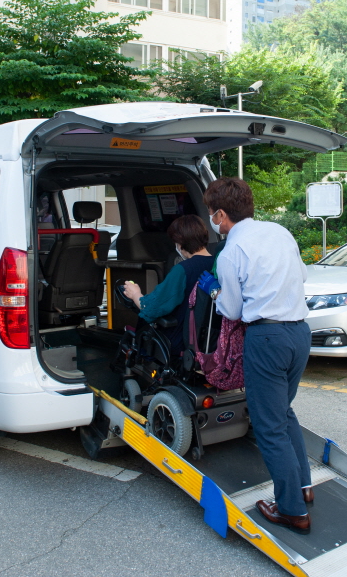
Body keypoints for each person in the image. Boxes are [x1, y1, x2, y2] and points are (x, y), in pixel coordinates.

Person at [197, 177, 313, 532]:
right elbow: (302, 275)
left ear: (221, 214)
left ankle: (292, 510)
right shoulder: (279, 233)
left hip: (266, 339)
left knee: (268, 427)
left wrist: (214, 290)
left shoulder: (232, 251)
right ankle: (304, 487)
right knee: (284, 412)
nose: (212, 222)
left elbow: (231, 310)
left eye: (211, 216)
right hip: (300, 333)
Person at [122, 215, 214, 355]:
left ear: (180, 242)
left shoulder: (183, 269)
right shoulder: (218, 264)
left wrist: (135, 294)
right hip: (210, 339)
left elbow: (152, 308)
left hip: (180, 340)